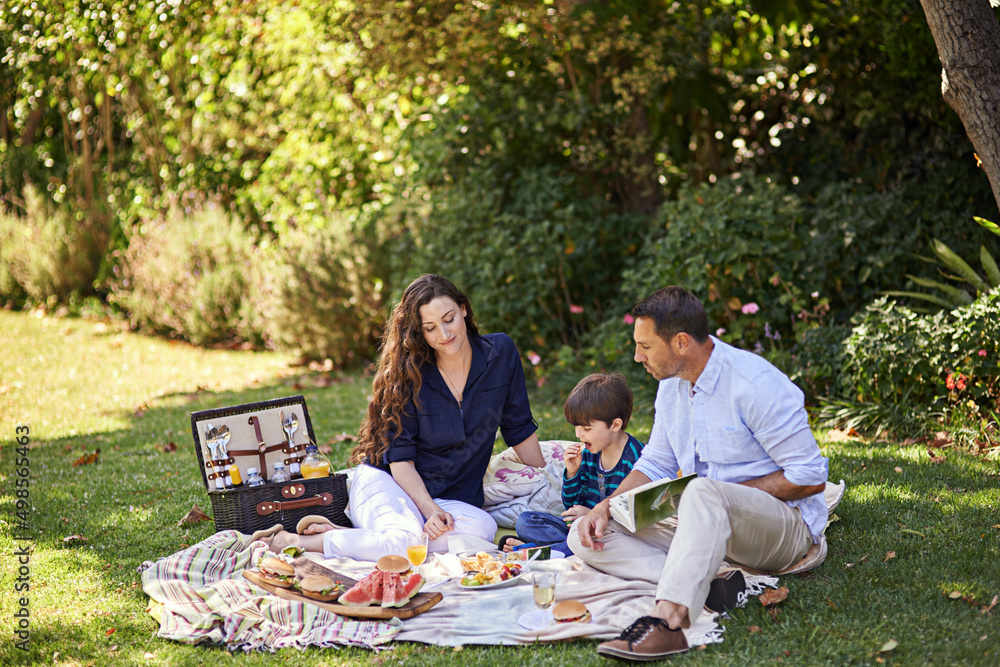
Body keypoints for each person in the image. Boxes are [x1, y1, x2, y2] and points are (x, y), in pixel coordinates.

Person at [568, 286, 828, 661]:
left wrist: (720, 495)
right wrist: (607, 505)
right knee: (587, 534)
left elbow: (810, 477)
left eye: (645, 346)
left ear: (681, 342)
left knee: (702, 492)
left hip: (783, 531)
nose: (636, 356)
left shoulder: (754, 385)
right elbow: (656, 461)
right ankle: (714, 581)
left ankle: (668, 622)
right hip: (702, 519)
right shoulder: (670, 386)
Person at [264, 274, 545, 560]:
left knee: (482, 529)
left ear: (463, 309)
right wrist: (430, 510)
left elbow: (518, 425)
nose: (444, 334)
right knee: (408, 543)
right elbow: (400, 460)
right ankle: (292, 540)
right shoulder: (408, 374)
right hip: (389, 481)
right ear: (418, 332)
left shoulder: (500, 353)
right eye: (430, 328)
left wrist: (549, 478)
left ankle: (350, 537)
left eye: (449, 319)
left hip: (451, 496)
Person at [501, 373, 645, 556]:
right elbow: (571, 505)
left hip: (611, 533)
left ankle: (539, 554)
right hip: (578, 528)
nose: (579, 435)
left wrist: (590, 514)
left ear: (615, 425)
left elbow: (632, 518)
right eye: (576, 427)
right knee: (525, 521)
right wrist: (572, 473)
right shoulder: (590, 452)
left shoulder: (635, 459)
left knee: (592, 541)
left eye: (586, 428)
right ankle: (560, 549)